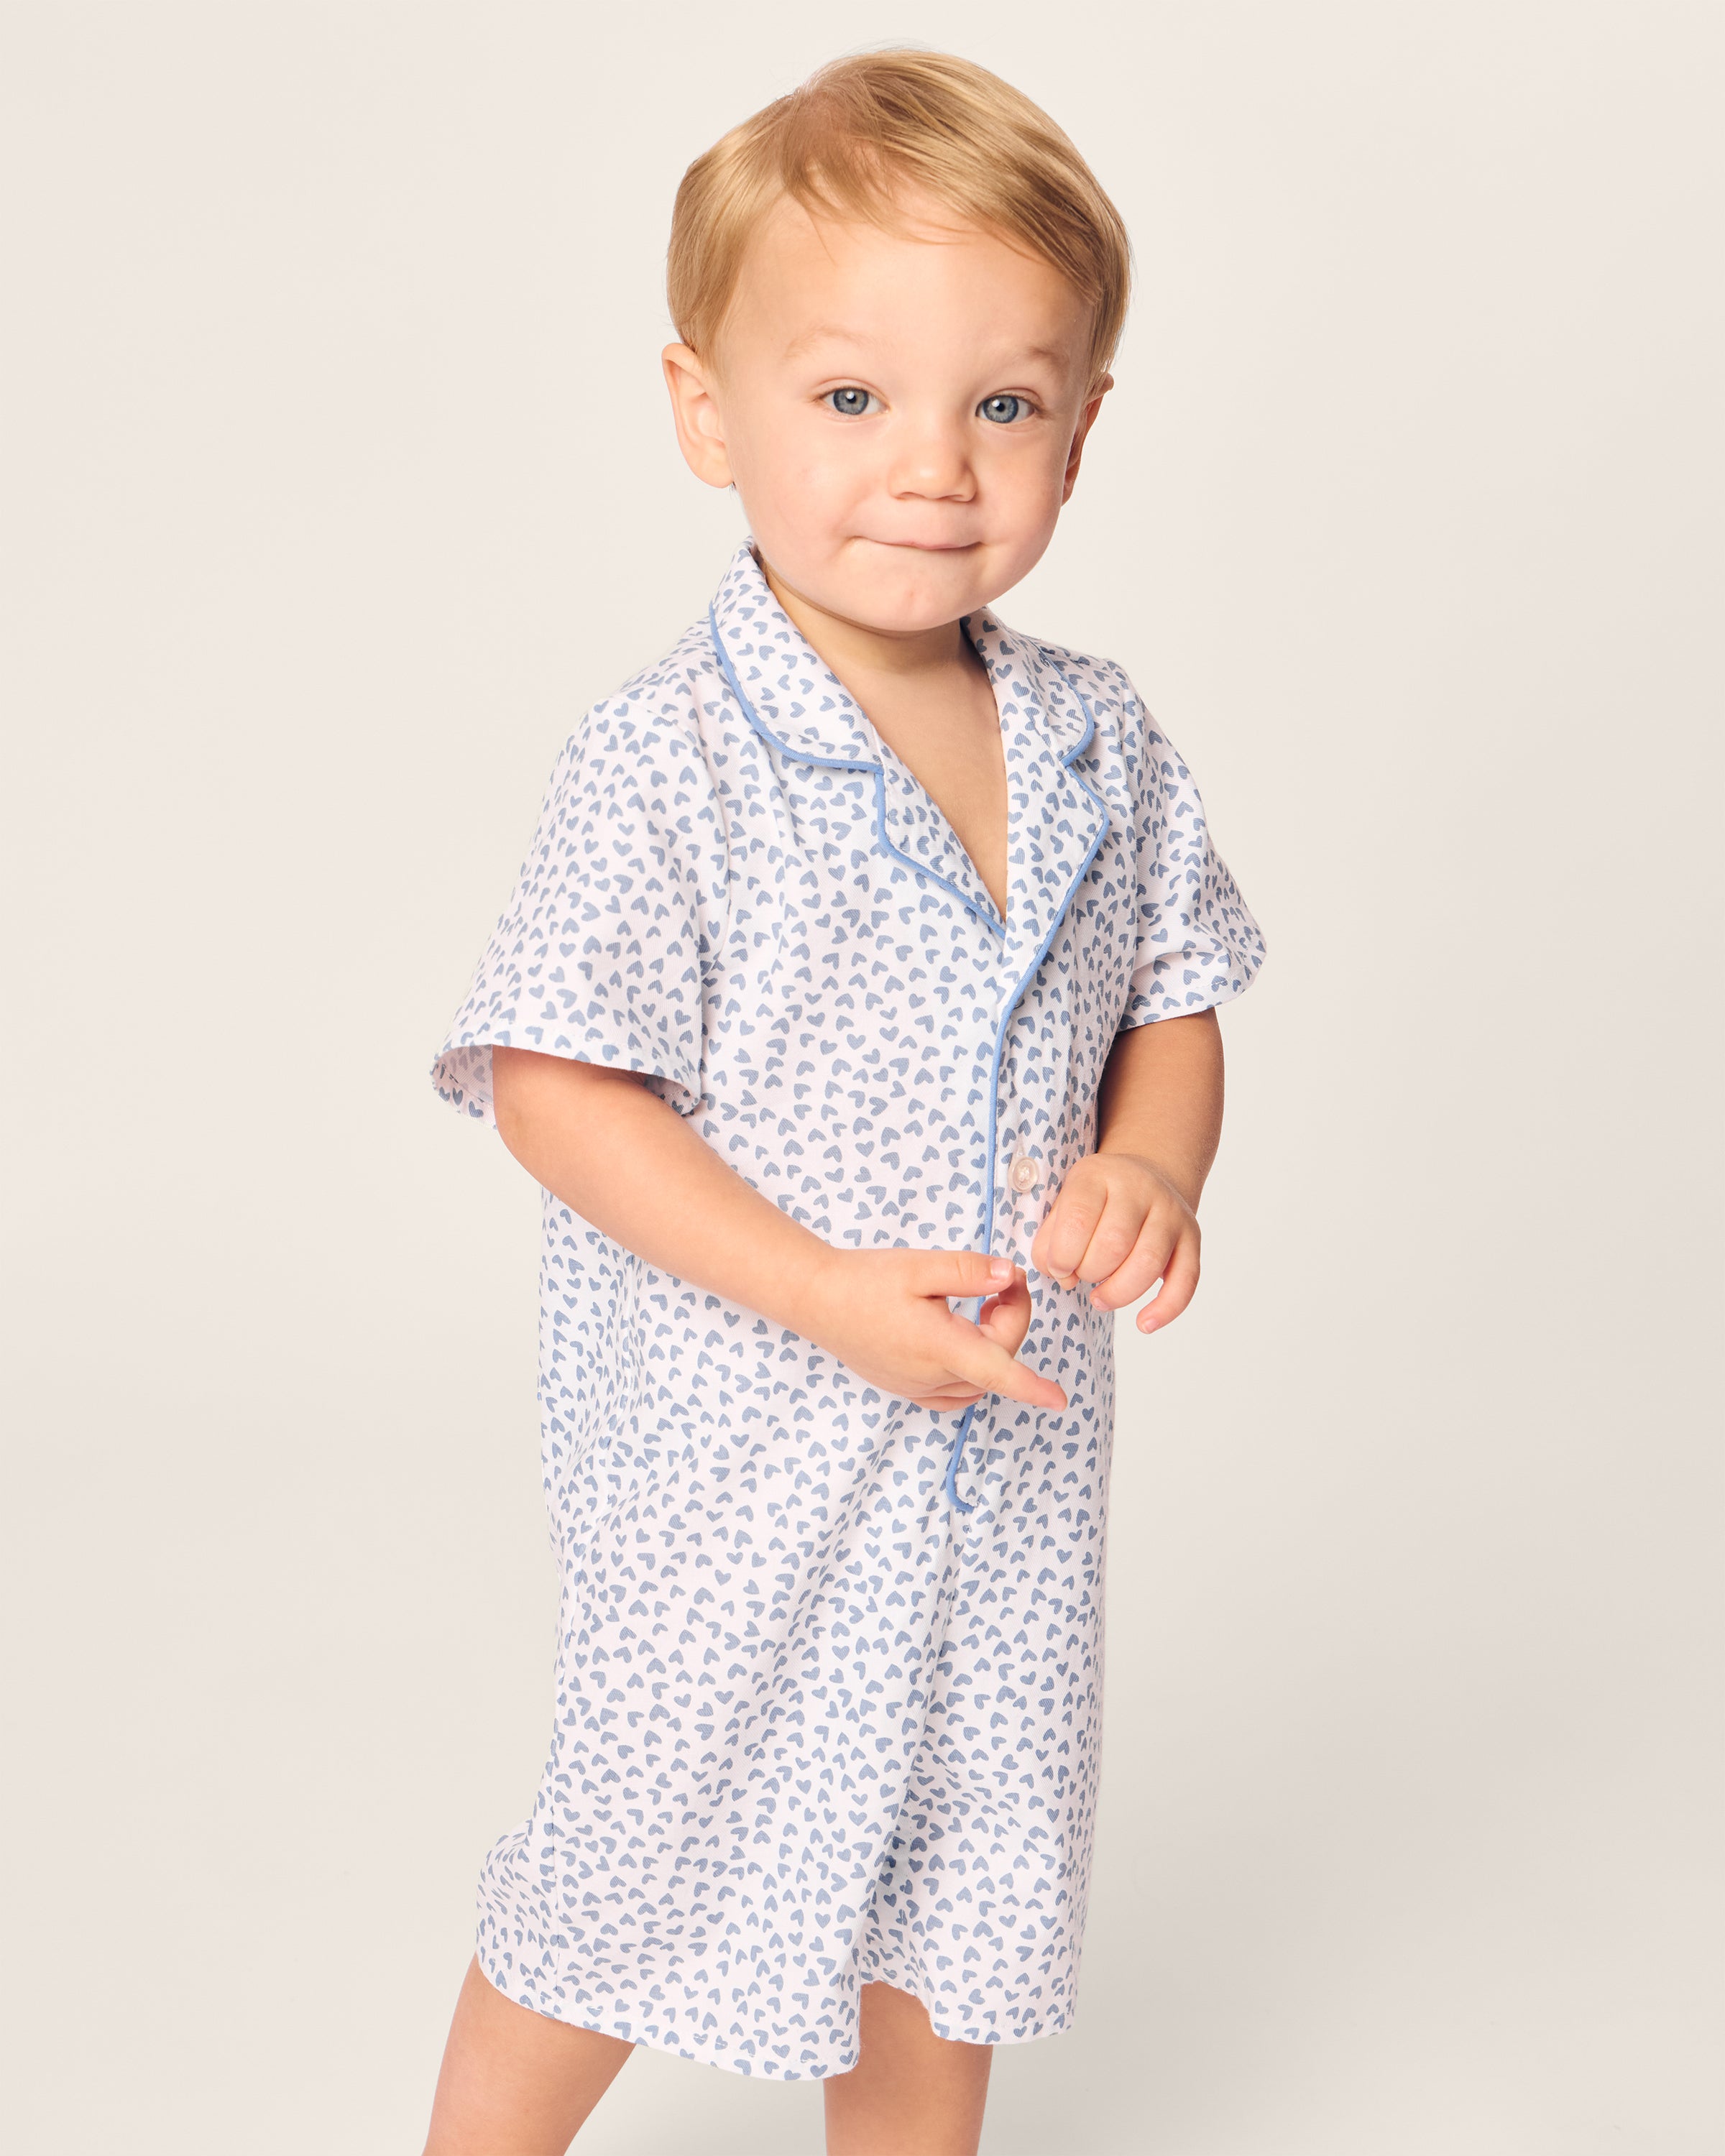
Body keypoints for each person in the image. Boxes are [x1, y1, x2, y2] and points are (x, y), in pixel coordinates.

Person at [420, 47, 1265, 2156]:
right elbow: (556, 1083)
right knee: (623, 1865)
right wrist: (807, 1288)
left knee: (953, 1894)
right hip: (746, 1464)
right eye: (852, 398)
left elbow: (1173, 994)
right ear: (710, 410)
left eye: (1005, 402)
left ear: (1081, 422)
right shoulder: (665, 765)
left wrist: (1154, 1158)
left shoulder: (1097, 743)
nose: (935, 467)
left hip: (1004, 1472)